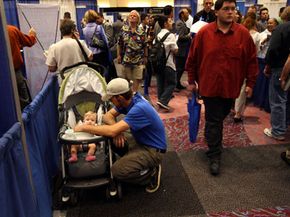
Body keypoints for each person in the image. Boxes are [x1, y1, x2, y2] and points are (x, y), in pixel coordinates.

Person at [185, 0, 258, 176]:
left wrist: (250, 84)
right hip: (209, 87)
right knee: (214, 120)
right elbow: (192, 59)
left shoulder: (243, 34)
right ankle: (214, 155)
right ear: (216, 12)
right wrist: (191, 82)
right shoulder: (204, 33)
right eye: (226, 9)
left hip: (231, 88)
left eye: (233, 9)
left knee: (221, 116)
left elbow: (251, 61)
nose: (231, 12)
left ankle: (212, 138)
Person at [74, 78, 167, 193]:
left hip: (153, 150)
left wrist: (84, 127)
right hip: (141, 140)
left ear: (120, 98)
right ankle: (134, 160)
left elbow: (111, 130)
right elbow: (107, 116)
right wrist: (117, 131)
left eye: (112, 99)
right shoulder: (129, 100)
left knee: (117, 171)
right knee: (111, 134)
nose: (111, 102)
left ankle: (150, 174)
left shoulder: (139, 108)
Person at [263, 6, 290, 141]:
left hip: (280, 68)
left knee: (278, 100)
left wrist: (268, 65)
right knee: (286, 100)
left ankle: (278, 131)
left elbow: (273, 49)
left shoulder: (281, 28)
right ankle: (284, 125)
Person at [7, 25, 37, 110]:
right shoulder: (11, 30)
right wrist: (32, 35)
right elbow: (29, 41)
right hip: (15, 73)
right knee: (25, 105)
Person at [117, 10, 147, 93]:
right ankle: (127, 93)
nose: (132, 17)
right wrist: (118, 55)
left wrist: (145, 56)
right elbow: (119, 44)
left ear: (138, 19)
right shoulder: (123, 29)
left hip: (138, 59)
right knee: (126, 78)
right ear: (128, 18)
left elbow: (145, 45)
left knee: (137, 78)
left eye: (135, 16)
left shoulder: (142, 31)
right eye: (131, 15)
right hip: (126, 58)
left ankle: (134, 93)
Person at [155, 15, 178, 111]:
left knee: (160, 82)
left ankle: (160, 100)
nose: (172, 22)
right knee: (172, 83)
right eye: (169, 21)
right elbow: (175, 50)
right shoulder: (171, 35)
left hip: (158, 63)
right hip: (168, 63)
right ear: (165, 24)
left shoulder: (158, 35)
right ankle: (163, 101)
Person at [175, 8, 191, 91]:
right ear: (182, 14)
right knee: (179, 68)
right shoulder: (180, 23)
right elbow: (180, 37)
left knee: (180, 68)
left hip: (183, 49)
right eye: (187, 13)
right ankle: (176, 85)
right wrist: (189, 35)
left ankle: (177, 83)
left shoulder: (183, 23)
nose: (188, 15)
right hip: (181, 49)